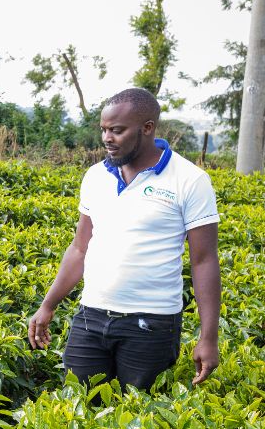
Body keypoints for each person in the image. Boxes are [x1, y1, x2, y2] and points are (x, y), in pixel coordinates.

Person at [27, 88, 221, 390]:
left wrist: (208, 338)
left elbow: (204, 260)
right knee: (78, 406)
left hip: (152, 324)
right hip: (90, 317)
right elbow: (80, 247)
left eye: (117, 130)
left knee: (140, 418)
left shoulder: (190, 180)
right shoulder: (95, 176)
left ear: (147, 128)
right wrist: (48, 304)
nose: (107, 138)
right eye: (104, 129)